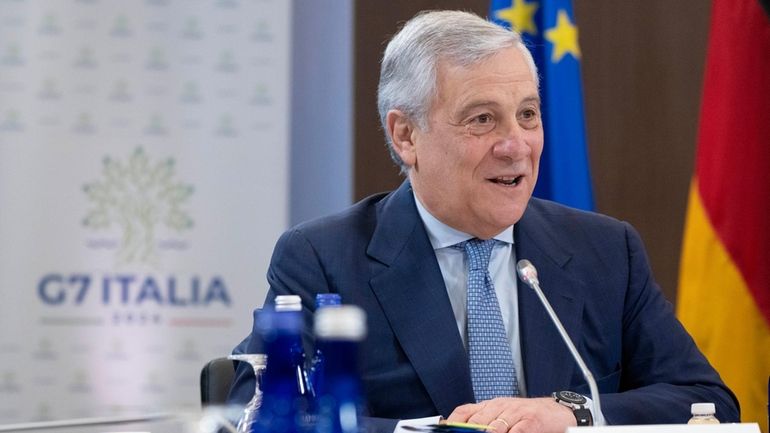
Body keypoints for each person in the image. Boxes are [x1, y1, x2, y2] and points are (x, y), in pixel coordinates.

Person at [227, 10, 739, 433]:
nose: (515, 145)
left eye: (528, 114)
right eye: (482, 119)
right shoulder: (324, 258)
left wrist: (572, 412)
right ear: (406, 135)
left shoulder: (604, 250)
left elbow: (707, 402)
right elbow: (265, 413)